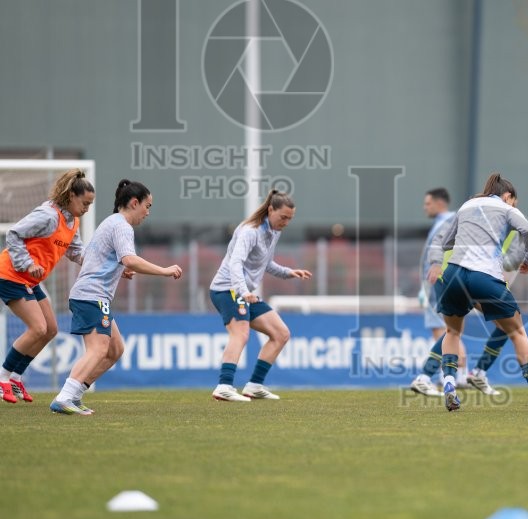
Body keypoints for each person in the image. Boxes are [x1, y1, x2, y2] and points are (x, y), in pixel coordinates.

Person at [49, 179, 183, 415]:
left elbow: (98, 258)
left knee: (115, 350)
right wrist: (164, 270)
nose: (148, 213)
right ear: (134, 203)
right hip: (92, 296)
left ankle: (75, 396)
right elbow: (129, 258)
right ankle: (64, 397)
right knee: (99, 349)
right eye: (147, 206)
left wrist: (119, 270)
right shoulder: (121, 225)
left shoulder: (111, 223)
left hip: (92, 296)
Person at [437, 172, 528, 412]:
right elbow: (526, 232)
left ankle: (449, 383)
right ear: (507, 196)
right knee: (518, 332)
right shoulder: (507, 209)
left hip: (452, 275)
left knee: (452, 331)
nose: (514, 205)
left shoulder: (466, 206)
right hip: (483, 277)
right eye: (514, 201)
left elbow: (445, 244)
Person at [410, 222, 528, 398]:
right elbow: (439, 242)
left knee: (497, 327)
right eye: (510, 200)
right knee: (456, 330)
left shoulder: (508, 227)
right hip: (455, 276)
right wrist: (435, 263)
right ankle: (430, 376)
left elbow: (508, 263)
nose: (511, 206)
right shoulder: (479, 219)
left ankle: (472, 373)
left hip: (469, 278)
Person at [0, 169, 93, 404]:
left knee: (51, 329)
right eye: (85, 203)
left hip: (30, 279)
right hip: (10, 273)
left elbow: (76, 252)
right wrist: (28, 263)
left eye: (90, 204)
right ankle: (2, 378)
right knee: (38, 328)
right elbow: (14, 234)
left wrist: (104, 263)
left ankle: (16, 378)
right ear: (71, 195)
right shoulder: (48, 215)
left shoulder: (73, 220)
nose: (87, 208)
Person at [209, 189, 311, 402]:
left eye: (290, 219)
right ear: (270, 209)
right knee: (241, 333)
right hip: (228, 289)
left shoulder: (273, 231)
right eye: (283, 217)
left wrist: (288, 273)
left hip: (244, 293)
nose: (286, 222)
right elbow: (235, 262)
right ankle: (224, 386)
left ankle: (254, 386)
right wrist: (243, 292)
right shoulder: (250, 231)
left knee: (281, 333)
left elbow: (266, 263)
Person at [410, 188, 467, 396]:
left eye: (428, 203)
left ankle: (440, 377)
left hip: (439, 283)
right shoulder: (451, 220)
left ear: (439, 203)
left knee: (442, 332)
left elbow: (437, 255)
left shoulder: (445, 222)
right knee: (453, 331)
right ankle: (458, 376)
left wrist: (427, 287)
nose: (425, 207)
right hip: (449, 282)